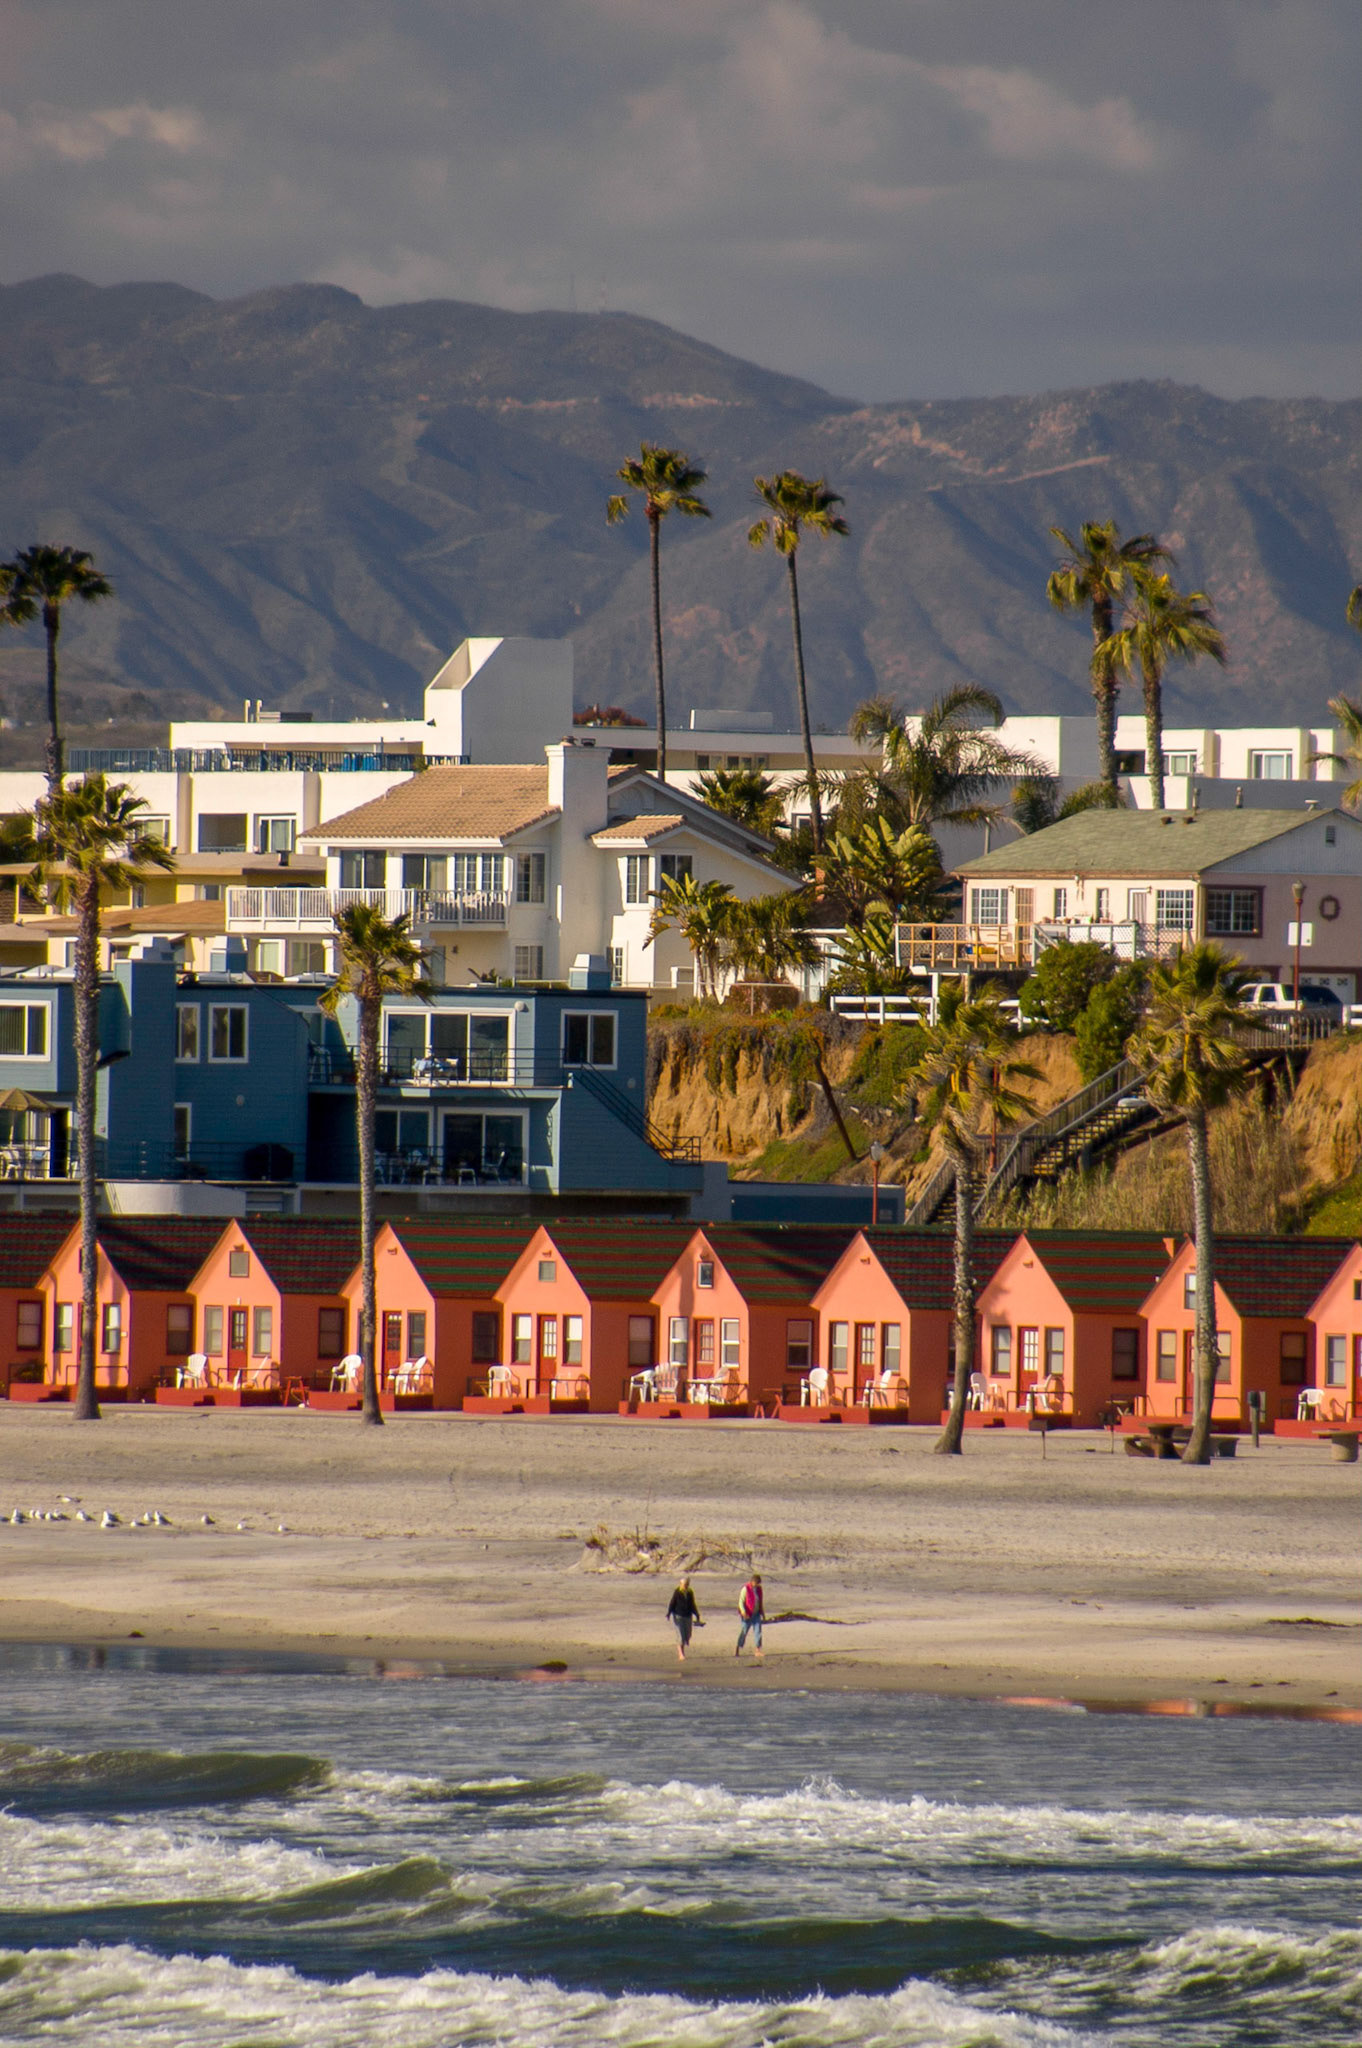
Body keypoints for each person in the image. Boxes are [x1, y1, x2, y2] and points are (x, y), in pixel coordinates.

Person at [667, 1576, 703, 1661]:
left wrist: (696, 1614)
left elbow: (692, 1604)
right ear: (680, 1584)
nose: (686, 1586)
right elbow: (672, 1603)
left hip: (688, 1616)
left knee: (687, 1635)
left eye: (687, 1584)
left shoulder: (690, 1592)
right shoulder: (677, 1592)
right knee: (680, 1635)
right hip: (678, 1615)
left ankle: (682, 1651)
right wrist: (668, 1613)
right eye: (684, 1584)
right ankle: (680, 1654)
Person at [735, 1573, 764, 1659]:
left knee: (758, 1631)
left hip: (756, 1614)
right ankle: (737, 1648)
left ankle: (757, 1650)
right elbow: (741, 1601)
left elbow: (760, 1601)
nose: (757, 1584)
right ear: (752, 1581)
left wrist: (762, 1612)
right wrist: (743, 1612)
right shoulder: (745, 1588)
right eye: (756, 1582)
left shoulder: (759, 1589)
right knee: (744, 1631)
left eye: (758, 1583)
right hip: (747, 1614)